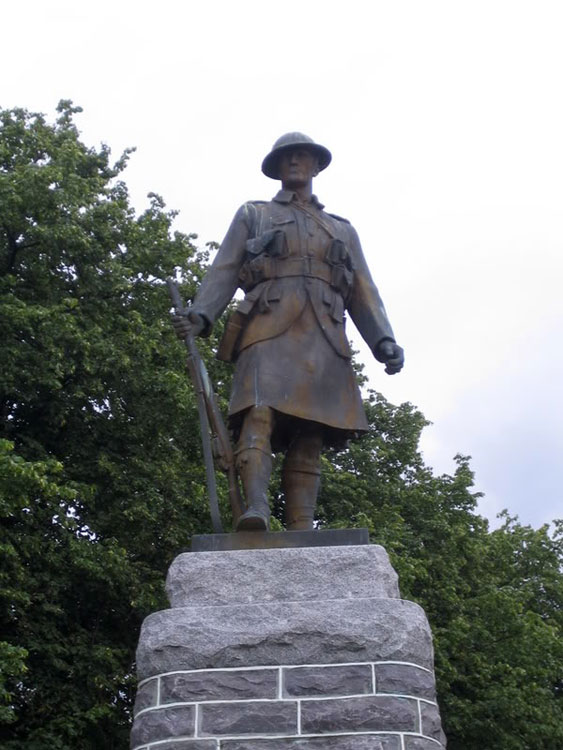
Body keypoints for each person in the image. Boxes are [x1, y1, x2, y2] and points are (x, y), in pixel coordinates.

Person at [172, 132, 404, 532]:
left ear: (316, 166)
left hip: (324, 335)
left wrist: (383, 339)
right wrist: (202, 315)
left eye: (303, 157)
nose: (295, 162)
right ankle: (256, 509)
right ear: (277, 168)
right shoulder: (254, 214)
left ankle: (302, 527)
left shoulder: (341, 229)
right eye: (287, 158)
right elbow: (224, 269)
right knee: (259, 412)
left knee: (311, 433)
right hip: (267, 325)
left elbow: (364, 290)